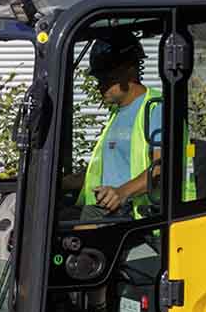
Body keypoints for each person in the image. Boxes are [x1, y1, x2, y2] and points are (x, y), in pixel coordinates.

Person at [64, 29, 166, 218]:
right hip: (103, 209)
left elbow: (161, 169)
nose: (100, 85)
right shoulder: (117, 114)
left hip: (136, 215)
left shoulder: (156, 108)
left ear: (129, 71)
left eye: (106, 78)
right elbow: (104, 171)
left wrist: (121, 193)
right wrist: (60, 183)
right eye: (98, 79)